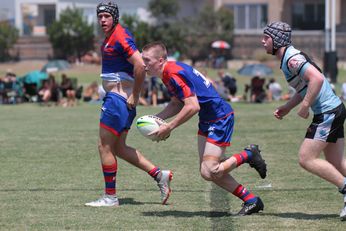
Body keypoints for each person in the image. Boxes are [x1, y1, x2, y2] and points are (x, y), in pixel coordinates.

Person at [142, 41, 267, 215]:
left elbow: (192, 106)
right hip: (208, 119)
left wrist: (169, 127)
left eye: (147, 60)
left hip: (219, 117)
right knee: (208, 172)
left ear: (160, 60)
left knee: (211, 169)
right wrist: (156, 119)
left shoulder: (172, 73)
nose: (143, 64)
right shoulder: (167, 73)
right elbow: (177, 103)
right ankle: (251, 200)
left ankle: (249, 154)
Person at [85, 1, 172, 207]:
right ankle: (160, 175)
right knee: (119, 148)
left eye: (106, 16)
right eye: (100, 16)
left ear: (115, 17)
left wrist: (135, 94)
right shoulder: (110, 38)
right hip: (119, 101)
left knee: (104, 146)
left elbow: (140, 65)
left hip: (117, 101)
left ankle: (110, 197)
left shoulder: (120, 36)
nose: (102, 20)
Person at [262, 21, 346, 220]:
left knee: (306, 158)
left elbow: (316, 79)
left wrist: (306, 105)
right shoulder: (288, 59)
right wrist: (287, 107)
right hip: (332, 109)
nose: (262, 41)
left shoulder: (291, 59)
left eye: (266, 37)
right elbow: (305, 87)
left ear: (277, 39)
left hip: (328, 112)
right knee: (336, 162)